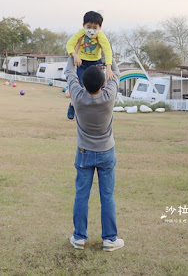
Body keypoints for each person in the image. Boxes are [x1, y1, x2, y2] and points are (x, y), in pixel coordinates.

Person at [64, 54, 125, 252]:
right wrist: (108, 57)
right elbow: (116, 73)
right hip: (106, 152)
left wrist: (73, 53)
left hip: (84, 153)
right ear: (103, 82)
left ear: (83, 82)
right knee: (107, 196)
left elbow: (69, 73)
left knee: (81, 195)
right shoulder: (108, 96)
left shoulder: (78, 97)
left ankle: (79, 237)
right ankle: (109, 240)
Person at [65, 11, 114, 120]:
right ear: (83, 25)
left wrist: (109, 68)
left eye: (95, 27)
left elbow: (107, 51)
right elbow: (69, 44)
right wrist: (75, 55)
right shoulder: (81, 33)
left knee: (100, 87)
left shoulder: (100, 36)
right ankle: (73, 106)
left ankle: (99, 110)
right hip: (82, 63)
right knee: (79, 87)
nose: (91, 30)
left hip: (96, 63)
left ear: (100, 28)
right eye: (88, 26)